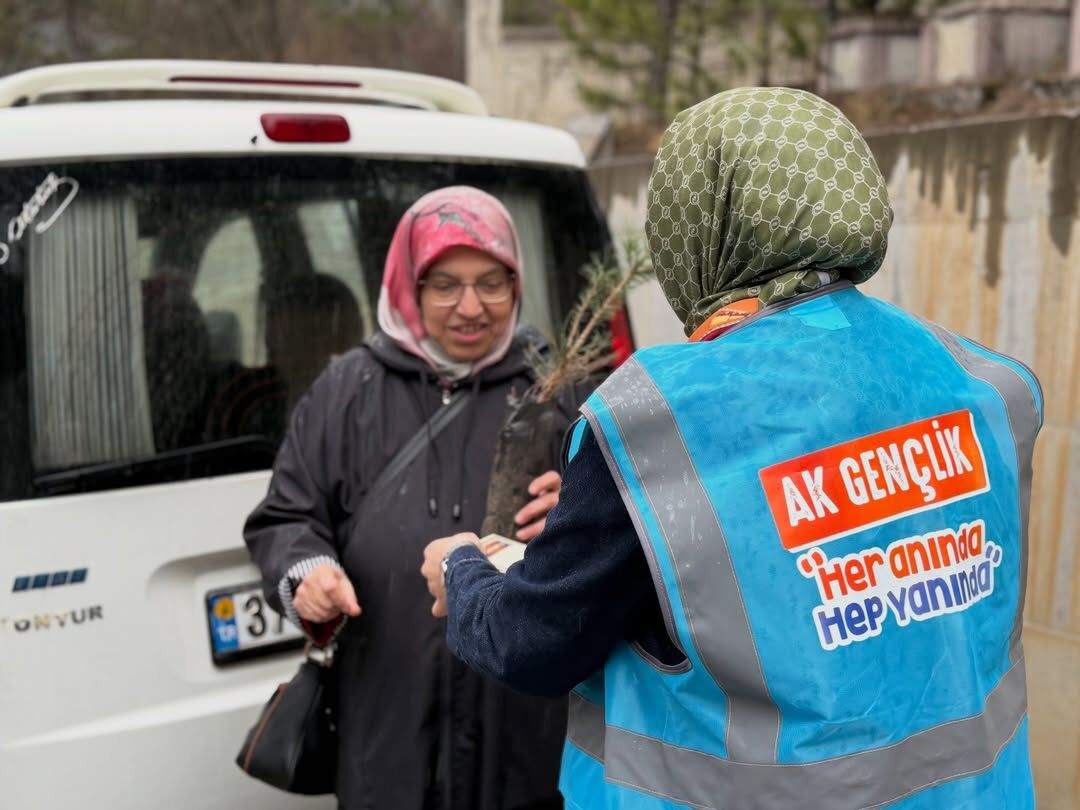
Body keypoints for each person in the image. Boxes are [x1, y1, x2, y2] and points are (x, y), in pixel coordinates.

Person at [422, 88, 1042, 809]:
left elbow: (531, 642)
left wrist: (465, 571)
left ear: (698, 222)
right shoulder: (978, 381)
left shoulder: (663, 421)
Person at [245, 186, 571, 810]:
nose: (470, 306)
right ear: (409, 286)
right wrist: (308, 572)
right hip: (386, 729)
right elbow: (287, 515)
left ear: (517, 284)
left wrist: (579, 512)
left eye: (492, 283)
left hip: (524, 737)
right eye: (445, 284)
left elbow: (631, 535)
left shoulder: (556, 388)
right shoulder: (348, 391)